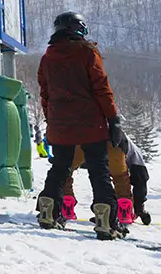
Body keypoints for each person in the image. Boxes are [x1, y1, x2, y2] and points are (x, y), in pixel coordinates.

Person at [36, 12, 126, 240]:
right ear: (79, 29)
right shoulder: (87, 53)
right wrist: (113, 119)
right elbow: (101, 89)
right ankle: (107, 220)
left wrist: (51, 120)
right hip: (89, 123)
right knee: (99, 169)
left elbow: (45, 94)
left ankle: (48, 209)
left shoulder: (47, 57)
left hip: (59, 125)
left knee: (60, 167)